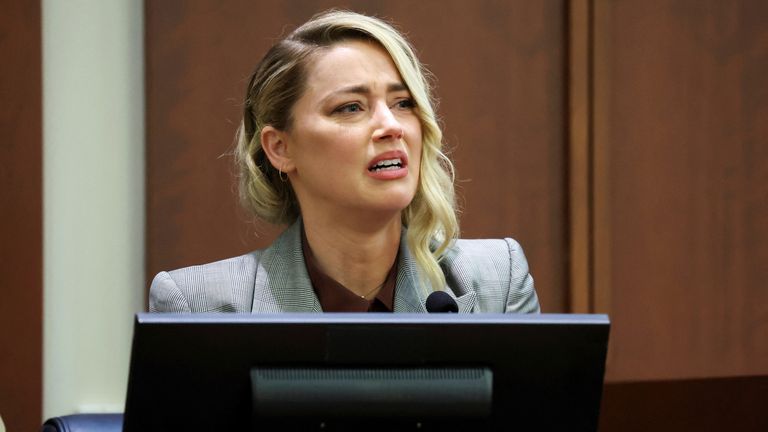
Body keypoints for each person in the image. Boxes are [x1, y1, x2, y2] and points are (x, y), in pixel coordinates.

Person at [149, 10, 539, 314]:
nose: (391, 126)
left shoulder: (497, 281)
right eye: (350, 107)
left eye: (403, 103)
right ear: (280, 148)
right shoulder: (200, 304)